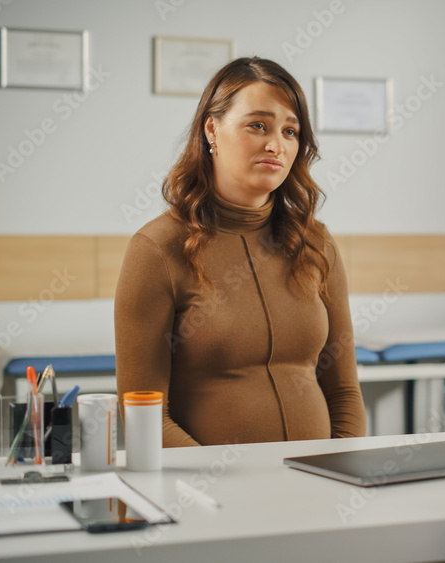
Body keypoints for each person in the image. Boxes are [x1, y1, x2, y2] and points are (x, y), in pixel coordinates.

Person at [115, 57, 365, 447]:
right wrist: (216, 494)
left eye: (290, 131)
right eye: (257, 126)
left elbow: (345, 394)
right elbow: (143, 416)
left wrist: (343, 470)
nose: (276, 145)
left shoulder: (316, 243)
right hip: (208, 498)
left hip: (320, 489)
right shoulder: (157, 249)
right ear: (212, 129)